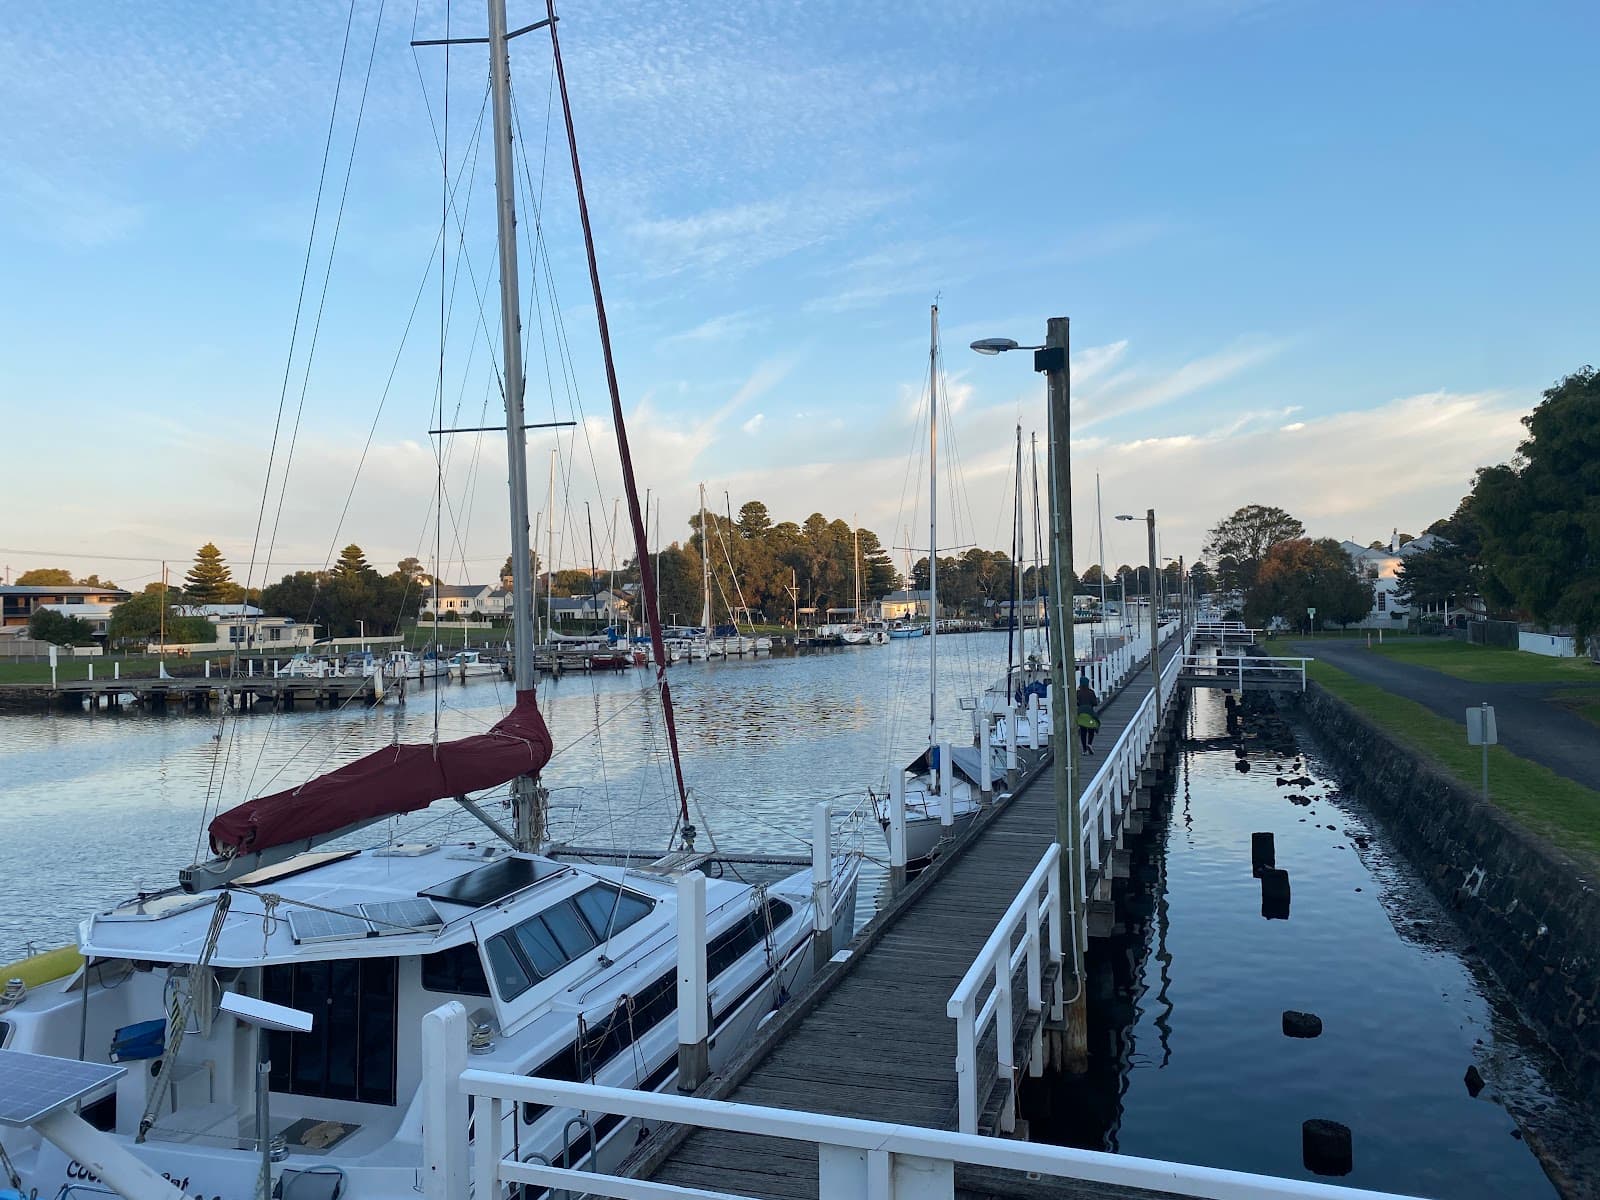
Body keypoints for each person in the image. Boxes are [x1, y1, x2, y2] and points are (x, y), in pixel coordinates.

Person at [1076, 676, 1099, 754]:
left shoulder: (1078, 692)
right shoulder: (1091, 692)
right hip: (1090, 714)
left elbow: (1076, 702)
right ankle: (1089, 744)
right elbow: (1095, 703)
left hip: (1081, 714)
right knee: (1091, 729)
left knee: (1083, 732)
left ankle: (1084, 749)